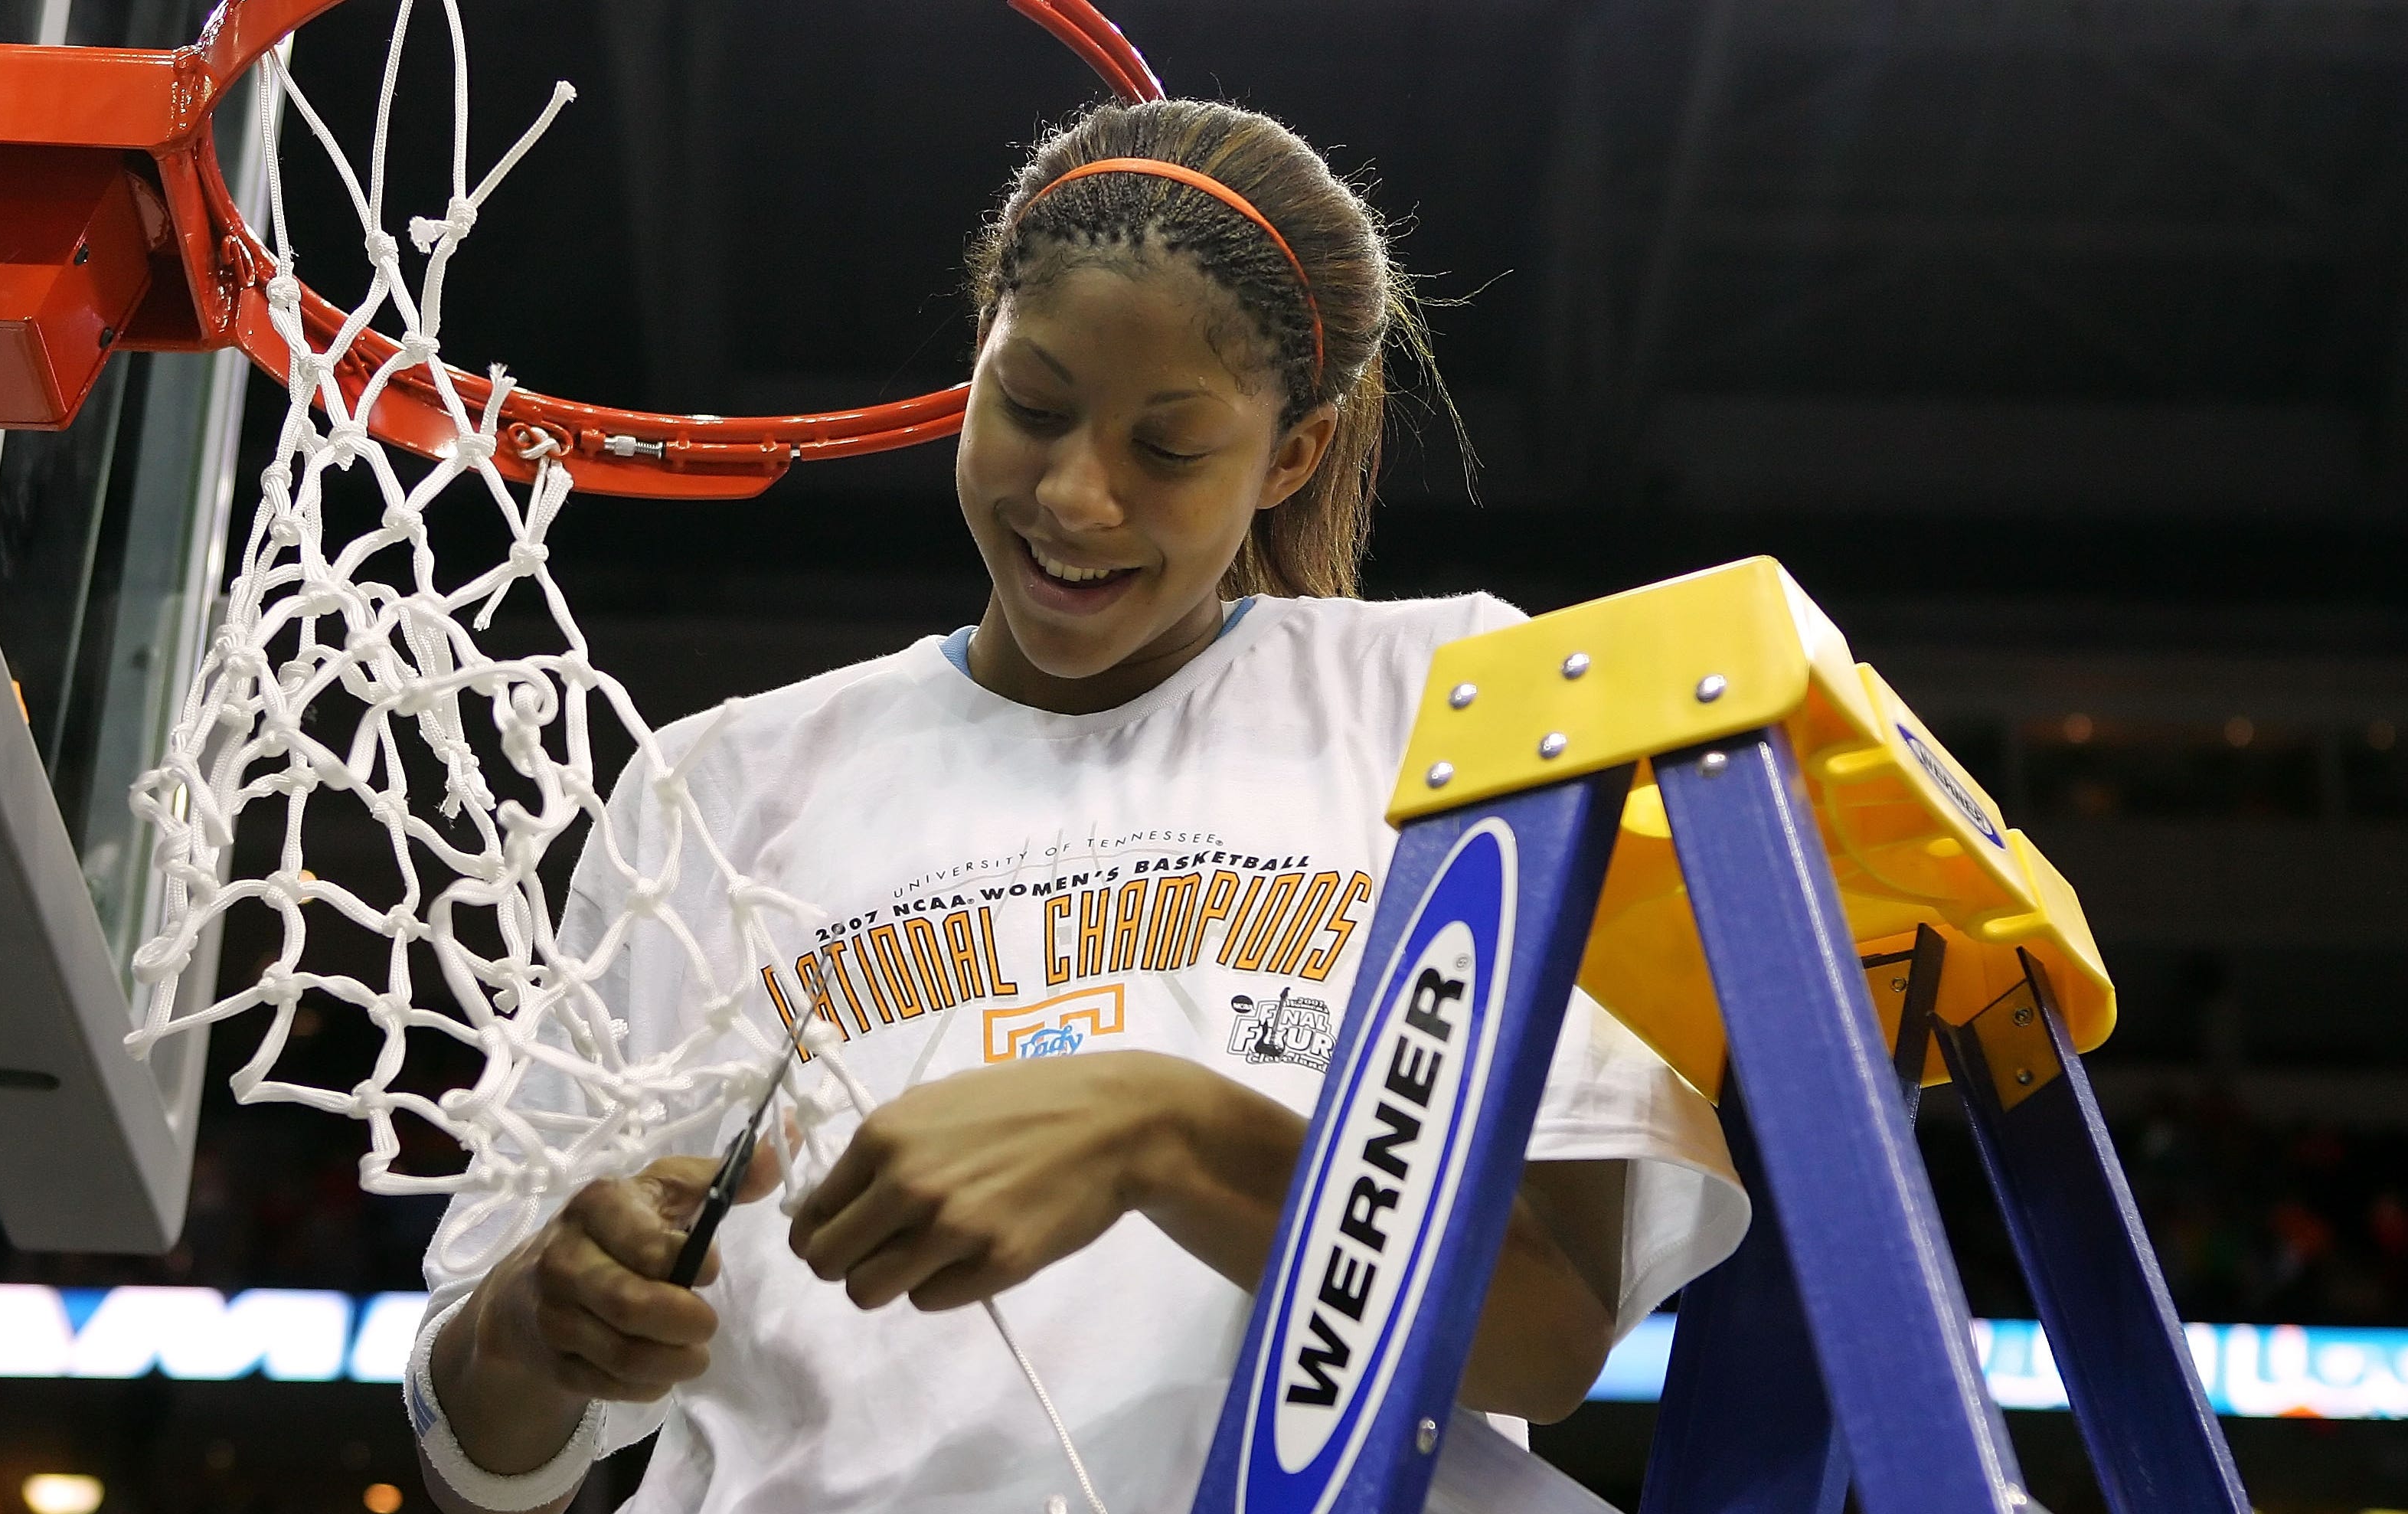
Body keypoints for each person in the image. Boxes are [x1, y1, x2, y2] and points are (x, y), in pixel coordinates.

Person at [407, 96, 1748, 1514]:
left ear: (1291, 454)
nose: (1076, 497)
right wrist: (536, 1327)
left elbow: (1541, 1334)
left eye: (1169, 449)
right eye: (1031, 406)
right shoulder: (718, 786)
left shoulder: (1468, 694)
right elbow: (477, 1460)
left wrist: (1156, 1131)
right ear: (976, 355)